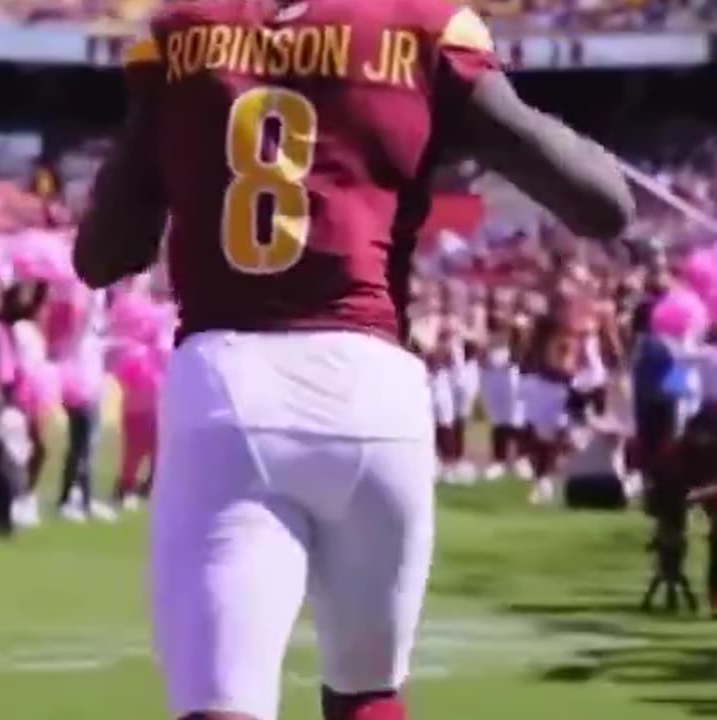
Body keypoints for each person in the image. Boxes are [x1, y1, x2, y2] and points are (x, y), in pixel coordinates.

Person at [73, 2, 633, 719]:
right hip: (374, 392)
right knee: (367, 695)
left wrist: (173, 132)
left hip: (229, 386)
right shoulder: (423, 22)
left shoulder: (183, 29)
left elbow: (102, 257)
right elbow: (604, 207)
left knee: (224, 700)